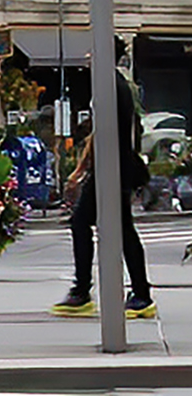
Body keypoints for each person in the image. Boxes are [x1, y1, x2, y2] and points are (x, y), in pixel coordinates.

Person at [52, 70, 154, 318]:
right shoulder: (117, 85)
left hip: (111, 168)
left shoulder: (109, 86)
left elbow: (102, 133)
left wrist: (81, 169)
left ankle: (85, 291)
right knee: (119, 227)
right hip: (115, 166)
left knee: (86, 223)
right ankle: (137, 293)